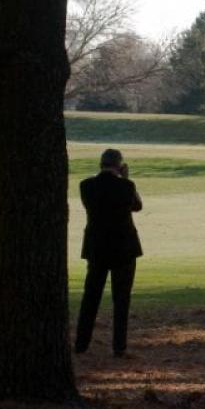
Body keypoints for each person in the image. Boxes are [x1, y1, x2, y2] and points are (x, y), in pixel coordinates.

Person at [75, 148, 144, 357]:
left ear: (101, 164)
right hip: (124, 248)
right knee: (121, 299)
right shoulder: (126, 186)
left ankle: (81, 344)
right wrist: (127, 178)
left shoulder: (86, 186)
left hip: (97, 248)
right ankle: (119, 347)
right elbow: (137, 206)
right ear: (119, 165)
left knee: (90, 297)